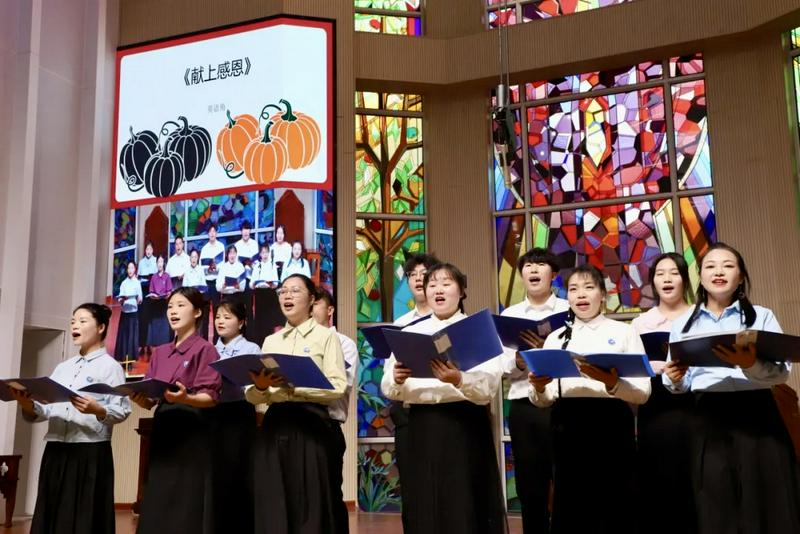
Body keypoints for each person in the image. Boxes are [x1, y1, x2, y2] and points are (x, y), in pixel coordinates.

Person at [663, 243, 800, 534]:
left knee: (764, 502)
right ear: (700, 276)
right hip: (707, 416)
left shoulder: (761, 316)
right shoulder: (683, 324)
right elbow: (680, 384)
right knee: (714, 504)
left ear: (740, 277)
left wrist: (750, 363)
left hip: (757, 412)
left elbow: (781, 374)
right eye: (710, 266)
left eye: (728, 265)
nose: (719, 272)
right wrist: (675, 377)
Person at [381, 263, 507, 534]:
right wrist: (398, 379)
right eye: (432, 285)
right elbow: (387, 387)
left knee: (464, 501)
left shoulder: (478, 329)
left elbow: (489, 388)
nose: (438, 290)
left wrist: (459, 379)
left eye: (446, 283)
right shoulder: (410, 332)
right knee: (423, 500)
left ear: (462, 291)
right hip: (421, 425)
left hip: (464, 424)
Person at [528, 264, 650, 534]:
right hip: (566, 425)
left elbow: (643, 393)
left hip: (611, 423)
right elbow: (543, 399)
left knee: (615, 503)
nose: (581, 295)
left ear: (603, 295)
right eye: (573, 289)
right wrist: (537, 387)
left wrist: (612, 383)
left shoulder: (623, 332)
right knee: (571, 506)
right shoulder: (556, 337)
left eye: (589, 287)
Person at [10, 303, 131, 534]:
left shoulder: (111, 368)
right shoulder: (63, 368)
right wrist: (26, 402)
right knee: (52, 511)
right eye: (73, 321)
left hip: (90, 452)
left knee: (85, 517)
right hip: (56, 448)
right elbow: (48, 409)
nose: (75, 325)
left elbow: (122, 410)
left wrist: (97, 409)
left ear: (101, 327)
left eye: (83, 321)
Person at [245, 274, 348, 533]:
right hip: (275, 424)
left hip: (311, 425)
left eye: (295, 291)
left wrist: (295, 387)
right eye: (283, 291)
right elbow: (256, 396)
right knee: (274, 498)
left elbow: (337, 387)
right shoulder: (271, 341)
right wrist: (259, 387)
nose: (287, 296)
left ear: (312, 298)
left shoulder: (326, 337)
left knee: (308, 502)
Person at [131, 287, 222, 534]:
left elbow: (211, 397)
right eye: (170, 306)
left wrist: (187, 398)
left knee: (186, 496)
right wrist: (139, 398)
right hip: (164, 427)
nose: (173, 311)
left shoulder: (206, 349)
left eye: (180, 305)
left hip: (192, 428)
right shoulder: (160, 352)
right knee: (159, 491)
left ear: (197, 312)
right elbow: (151, 398)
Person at [500, 248, 568, 534]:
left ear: (553, 275)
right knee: (530, 481)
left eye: (541, 265)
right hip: (523, 403)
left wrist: (546, 352)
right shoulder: (510, 314)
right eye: (528, 265)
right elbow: (501, 366)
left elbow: (577, 358)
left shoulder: (569, 309)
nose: (534, 269)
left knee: (567, 476)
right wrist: (519, 358)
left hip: (564, 402)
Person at [632, 252, 696, 534]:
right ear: (652, 282)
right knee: (658, 478)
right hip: (656, 406)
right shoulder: (640, 324)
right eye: (660, 273)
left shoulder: (701, 316)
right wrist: (651, 366)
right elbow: (630, 368)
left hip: (696, 403)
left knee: (695, 477)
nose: (667, 278)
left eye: (674, 272)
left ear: (684, 279)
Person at [382, 252, 438, 531]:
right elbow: (388, 379)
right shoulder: (401, 323)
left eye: (424, 272)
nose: (418, 278)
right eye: (413, 274)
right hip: (408, 415)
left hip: (444, 414)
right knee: (413, 491)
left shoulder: (451, 321)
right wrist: (394, 376)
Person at [210, 299, 261, 534]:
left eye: (227, 317)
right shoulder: (209, 349)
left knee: (238, 472)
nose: (220, 321)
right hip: (212, 414)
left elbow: (258, 384)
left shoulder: (251, 349)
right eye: (218, 316)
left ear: (241, 322)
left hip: (239, 413)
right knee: (215, 474)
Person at [312, 288, 358, 534]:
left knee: (328, 495)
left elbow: (340, 386)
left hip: (326, 424)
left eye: (315, 303)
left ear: (329, 310)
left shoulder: (344, 344)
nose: (310, 308)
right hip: (297, 424)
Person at [250, 243, 282, 345]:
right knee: (260, 320)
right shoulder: (257, 266)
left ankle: (269, 344)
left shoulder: (273, 265)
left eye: (266, 252)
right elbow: (251, 283)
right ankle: (259, 344)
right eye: (263, 252)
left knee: (269, 320)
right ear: (260, 254)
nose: (265, 255)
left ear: (269, 253)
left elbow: (276, 283)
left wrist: (271, 283)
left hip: (269, 295)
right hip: (259, 295)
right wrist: (254, 284)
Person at [200, 223, 225, 341]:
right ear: (208, 234)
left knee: (216, 311)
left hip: (216, 282)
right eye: (210, 232)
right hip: (206, 282)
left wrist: (216, 268)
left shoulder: (221, 247)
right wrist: (208, 269)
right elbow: (201, 267)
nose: (212, 233)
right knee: (205, 313)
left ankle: (216, 339)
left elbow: (223, 265)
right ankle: (204, 339)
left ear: (216, 233)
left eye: (214, 231)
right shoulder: (204, 249)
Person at [115, 260, 143, 364]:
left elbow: (140, 299)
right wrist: (121, 299)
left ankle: (131, 358)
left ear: (135, 269)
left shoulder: (137, 282)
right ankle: (122, 358)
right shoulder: (124, 283)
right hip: (125, 311)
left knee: (132, 335)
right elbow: (120, 298)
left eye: (132, 268)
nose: (130, 270)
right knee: (124, 335)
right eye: (128, 268)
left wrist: (138, 299)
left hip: (133, 312)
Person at [235, 221, 259, 332]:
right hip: (239, 280)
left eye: (247, 229)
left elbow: (257, 263)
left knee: (249, 307)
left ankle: (251, 333)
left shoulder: (254, 244)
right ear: (241, 231)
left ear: (250, 231)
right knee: (239, 308)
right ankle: (240, 331)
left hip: (250, 279)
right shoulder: (237, 245)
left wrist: (251, 264)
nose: (245, 232)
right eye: (243, 230)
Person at [145, 255, 172, 348]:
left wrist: (166, 296)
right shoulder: (153, 277)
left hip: (164, 305)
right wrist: (154, 296)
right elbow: (151, 292)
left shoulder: (167, 276)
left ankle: (165, 346)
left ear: (163, 263)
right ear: (156, 264)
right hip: (155, 305)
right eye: (158, 262)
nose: (160, 264)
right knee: (155, 327)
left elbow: (169, 292)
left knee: (164, 327)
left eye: (161, 262)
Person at [184, 248, 210, 339]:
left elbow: (204, 285)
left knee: (200, 324)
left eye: (195, 257)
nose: (194, 259)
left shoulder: (201, 270)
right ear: (190, 259)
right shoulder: (186, 271)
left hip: (199, 300)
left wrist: (201, 289)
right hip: (190, 301)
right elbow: (184, 287)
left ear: (198, 258)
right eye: (192, 257)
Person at [137, 242, 158, 351]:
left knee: (151, 318)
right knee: (143, 318)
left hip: (152, 291)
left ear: (152, 250)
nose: (148, 251)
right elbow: (138, 277)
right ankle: (142, 344)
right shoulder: (141, 262)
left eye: (150, 249)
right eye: (147, 249)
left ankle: (150, 344)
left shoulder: (155, 260)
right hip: (143, 291)